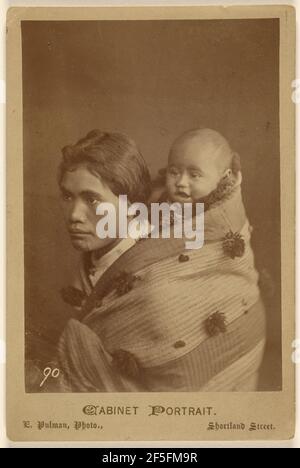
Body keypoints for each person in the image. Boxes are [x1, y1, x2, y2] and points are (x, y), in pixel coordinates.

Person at [57, 128, 266, 392]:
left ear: (131, 203)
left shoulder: (158, 280)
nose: (74, 214)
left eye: (92, 199)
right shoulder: (93, 258)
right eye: (67, 196)